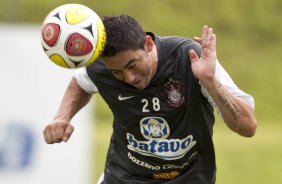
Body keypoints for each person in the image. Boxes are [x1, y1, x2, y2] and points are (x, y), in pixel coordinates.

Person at [43, 14, 257, 184]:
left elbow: (247, 127)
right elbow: (80, 83)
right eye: (118, 73)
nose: (130, 78)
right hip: (123, 178)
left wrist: (210, 80)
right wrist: (62, 116)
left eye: (132, 65)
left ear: (147, 43)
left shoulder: (190, 58)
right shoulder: (101, 67)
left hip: (189, 179)